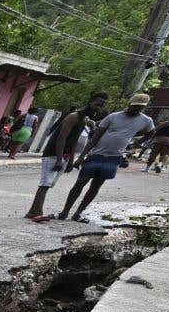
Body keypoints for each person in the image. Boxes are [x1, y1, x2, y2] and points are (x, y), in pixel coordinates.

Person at [59, 93, 156, 222]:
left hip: (113, 158)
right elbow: (95, 137)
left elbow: (151, 132)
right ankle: (64, 212)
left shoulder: (146, 120)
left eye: (140, 107)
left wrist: (137, 142)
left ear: (143, 108)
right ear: (129, 104)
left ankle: (78, 213)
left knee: (95, 187)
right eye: (135, 106)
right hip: (96, 155)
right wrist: (81, 157)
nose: (137, 109)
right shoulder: (113, 117)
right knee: (80, 184)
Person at [26, 93, 106, 222]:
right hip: (53, 153)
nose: (98, 108)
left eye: (101, 106)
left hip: (65, 155)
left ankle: (34, 212)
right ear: (90, 101)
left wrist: (70, 160)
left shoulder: (84, 119)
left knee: (49, 183)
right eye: (97, 104)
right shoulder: (74, 116)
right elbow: (61, 138)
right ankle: (35, 212)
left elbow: (74, 140)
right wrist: (58, 159)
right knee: (45, 184)